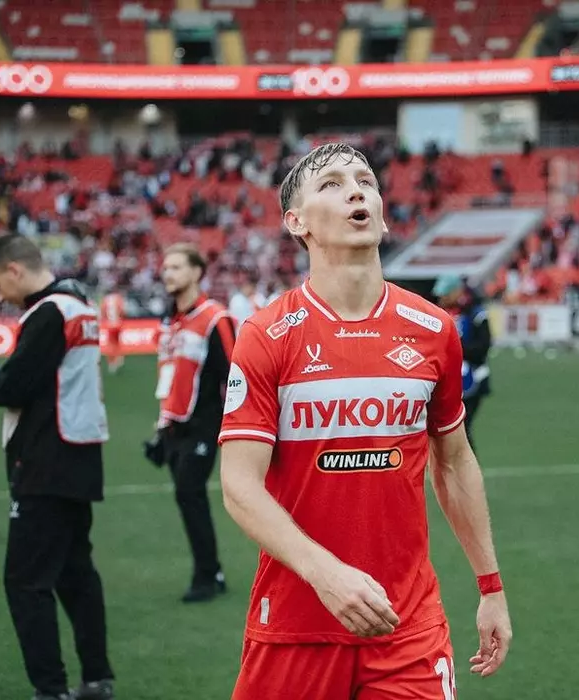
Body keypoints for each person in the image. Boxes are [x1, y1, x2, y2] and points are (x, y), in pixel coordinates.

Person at [218, 142, 512, 700]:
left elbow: (454, 464)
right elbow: (239, 486)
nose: (356, 191)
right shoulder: (265, 336)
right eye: (331, 183)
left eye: (366, 181)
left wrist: (490, 586)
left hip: (408, 630)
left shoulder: (434, 330)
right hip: (295, 629)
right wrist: (326, 574)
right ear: (296, 222)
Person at [0, 234, 115, 700]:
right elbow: (36, 375)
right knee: (75, 574)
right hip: (79, 456)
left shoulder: (49, 312)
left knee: (25, 581)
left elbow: (12, 388)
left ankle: (50, 690)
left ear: (14, 270)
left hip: (45, 461)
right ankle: (96, 678)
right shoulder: (77, 303)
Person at [145, 243, 236, 603]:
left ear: (197, 272)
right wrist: (161, 426)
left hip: (204, 426)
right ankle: (212, 570)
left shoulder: (215, 317)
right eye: (165, 268)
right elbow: (170, 379)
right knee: (187, 499)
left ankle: (206, 576)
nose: (168, 273)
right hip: (175, 429)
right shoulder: (170, 322)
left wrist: (234, 426)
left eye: (177, 267)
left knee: (189, 494)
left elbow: (235, 372)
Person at [433, 274, 492, 448]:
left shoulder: (476, 312)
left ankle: (466, 464)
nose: (441, 298)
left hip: (474, 379)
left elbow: (483, 346)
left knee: (462, 429)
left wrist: (453, 349)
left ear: (457, 291)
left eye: (445, 294)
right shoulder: (438, 313)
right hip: (446, 381)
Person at [100, 290, 125, 374]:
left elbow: (102, 311)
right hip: (118, 323)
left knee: (111, 343)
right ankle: (119, 358)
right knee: (117, 342)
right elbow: (122, 310)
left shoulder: (105, 300)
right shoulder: (118, 298)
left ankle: (112, 362)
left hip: (109, 324)